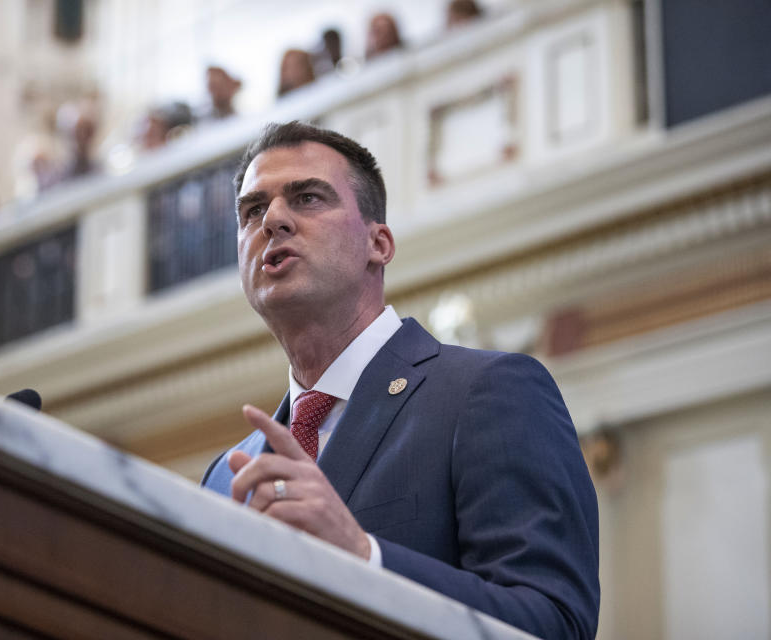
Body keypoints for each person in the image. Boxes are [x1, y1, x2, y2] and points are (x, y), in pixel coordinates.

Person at [202, 121, 599, 639]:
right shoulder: (225, 476)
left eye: (307, 198)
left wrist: (364, 557)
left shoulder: (487, 392)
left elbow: (553, 623)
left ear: (379, 243)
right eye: (253, 210)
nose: (273, 218)